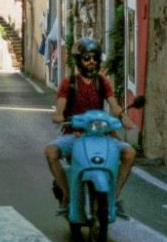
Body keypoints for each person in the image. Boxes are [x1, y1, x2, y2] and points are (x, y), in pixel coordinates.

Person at [45, 37, 135, 219]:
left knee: (129, 153)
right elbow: (60, 105)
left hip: (102, 134)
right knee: (51, 152)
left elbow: (114, 104)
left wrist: (124, 117)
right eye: (87, 58)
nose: (91, 61)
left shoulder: (102, 82)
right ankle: (67, 195)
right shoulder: (69, 82)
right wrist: (59, 115)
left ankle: (114, 196)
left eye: (94, 57)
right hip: (75, 134)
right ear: (79, 60)